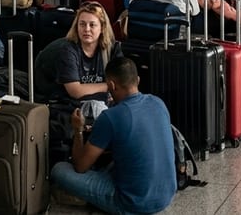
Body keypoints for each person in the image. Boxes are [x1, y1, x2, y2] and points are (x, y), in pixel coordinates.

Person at [50, 58, 176, 214]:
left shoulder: (110, 117)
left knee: (59, 169)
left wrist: (78, 130)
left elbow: (80, 167)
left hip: (132, 203)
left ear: (111, 85)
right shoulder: (158, 103)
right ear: (137, 80)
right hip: (166, 195)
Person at [34, 2, 123, 104]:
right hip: (54, 98)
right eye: (82, 24)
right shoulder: (67, 50)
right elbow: (75, 91)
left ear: (102, 28)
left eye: (92, 25)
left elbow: (122, 82)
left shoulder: (113, 48)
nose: (87, 29)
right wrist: (109, 86)